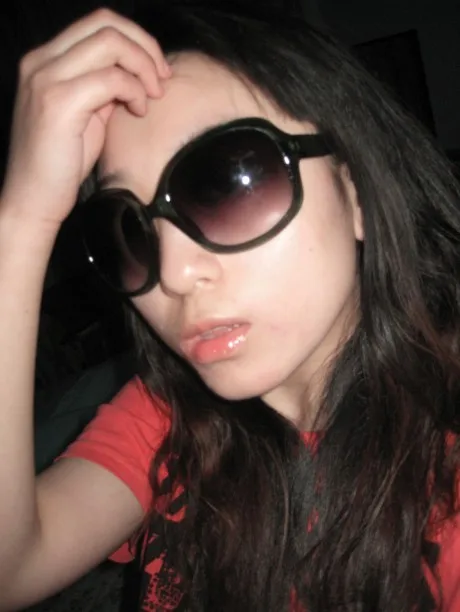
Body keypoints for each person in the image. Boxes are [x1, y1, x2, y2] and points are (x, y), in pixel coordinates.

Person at [0, 2, 459, 610]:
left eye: (228, 183)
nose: (173, 273)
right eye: (129, 227)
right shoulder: (166, 415)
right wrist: (23, 218)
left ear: (355, 192)